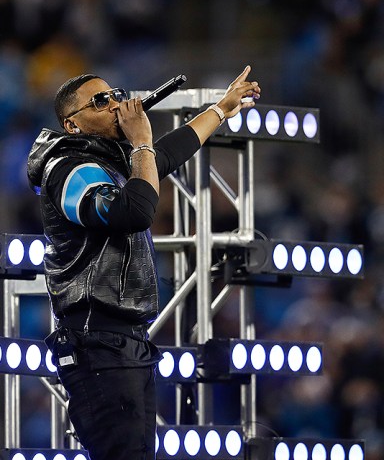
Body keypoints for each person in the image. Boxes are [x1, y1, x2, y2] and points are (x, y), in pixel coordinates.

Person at [27, 66, 261, 460]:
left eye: (115, 94)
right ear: (73, 124)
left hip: (124, 342)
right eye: (100, 101)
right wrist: (141, 144)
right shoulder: (68, 169)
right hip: (97, 342)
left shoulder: (111, 162)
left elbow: (167, 152)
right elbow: (135, 211)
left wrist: (222, 108)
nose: (116, 104)